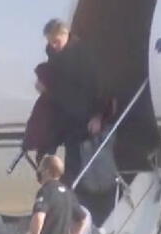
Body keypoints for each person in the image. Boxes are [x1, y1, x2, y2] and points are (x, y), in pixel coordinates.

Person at [42, 19, 103, 186]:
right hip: (64, 115)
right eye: (50, 42)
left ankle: (75, 193)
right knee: (53, 154)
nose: (53, 45)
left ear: (65, 34)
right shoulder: (54, 55)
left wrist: (98, 115)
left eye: (56, 41)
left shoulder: (82, 55)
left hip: (83, 115)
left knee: (78, 158)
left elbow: (96, 85)